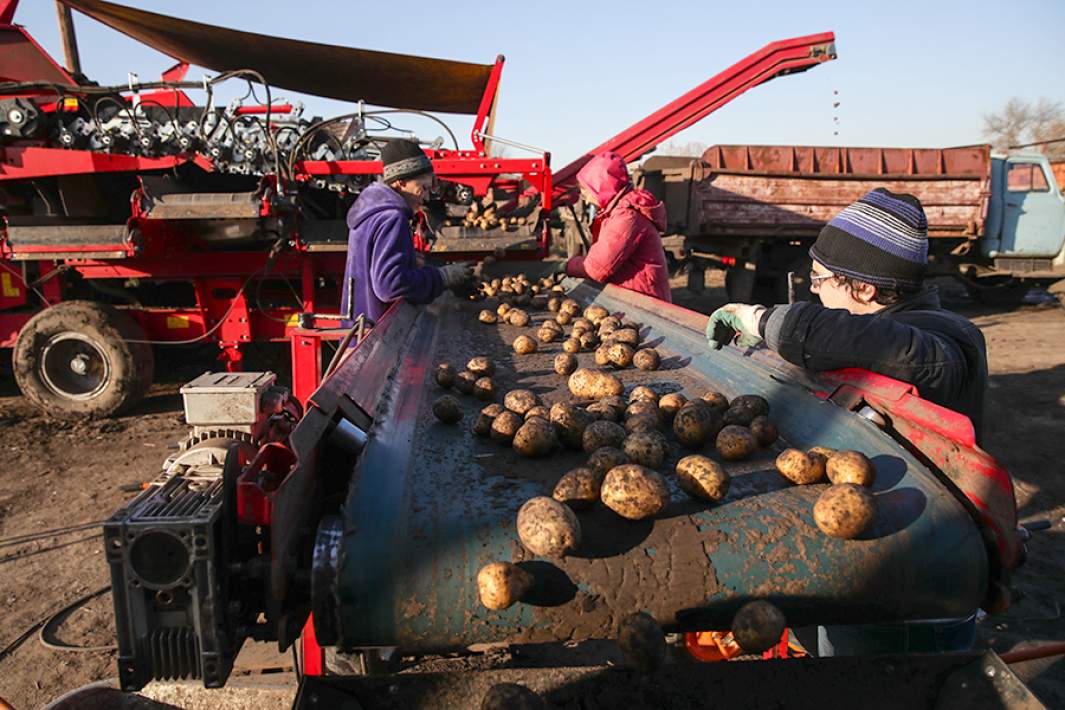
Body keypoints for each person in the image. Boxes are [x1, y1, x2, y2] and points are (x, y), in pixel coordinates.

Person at [706, 188, 988, 656]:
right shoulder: (884, 327)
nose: (813, 291)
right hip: (864, 555)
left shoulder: (946, 343)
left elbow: (863, 339)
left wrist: (758, 318)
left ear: (866, 288)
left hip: (915, 585)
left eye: (819, 280)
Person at [340, 139, 470, 325]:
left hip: (357, 324)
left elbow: (373, 266)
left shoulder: (371, 210)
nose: (426, 197)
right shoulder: (392, 218)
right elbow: (390, 286)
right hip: (376, 332)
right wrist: (443, 277)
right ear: (400, 183)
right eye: (422, 188)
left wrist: (407, 259)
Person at [559, 151, 672, 302]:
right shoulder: (615, 212)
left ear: (601, 187)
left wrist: (567, 266)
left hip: (645, 300)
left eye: (586, 190)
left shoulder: (627, 216)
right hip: (633, 295)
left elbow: (597, 268)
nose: (583, 196)